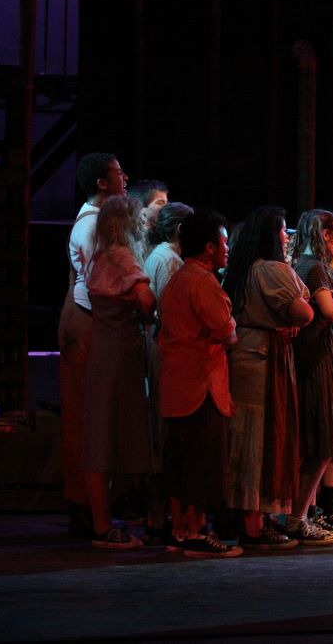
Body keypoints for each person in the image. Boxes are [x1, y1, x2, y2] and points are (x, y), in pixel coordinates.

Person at [222, 206, 313, 550]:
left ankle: (253, 517)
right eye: (283, 231)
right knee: (259, 438)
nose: (287, 238)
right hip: (262, 358)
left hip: (244, 354)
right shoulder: (273, 269)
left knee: (247, 437)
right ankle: (254, 525)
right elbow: (304, 311)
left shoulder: (243, 268)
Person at [158, 208, 243, 558]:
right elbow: (225, 329)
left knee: (179, 462)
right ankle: (196, 532)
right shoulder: (203, 281)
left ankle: (179, 530)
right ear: (210, 247)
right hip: (201, 387)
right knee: (202, 462)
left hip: (176, 385)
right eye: (223, 242)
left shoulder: (176, 280)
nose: (227, 249)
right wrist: (232, 327)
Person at [57, 152, 127, 538]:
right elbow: (95, 280)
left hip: (93, 320)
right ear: (102, 183)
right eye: (118, 173)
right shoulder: (90, 225)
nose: (124, 177)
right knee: (84, 418)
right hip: (85, 321)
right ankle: (84, 506)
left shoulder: (102, 221)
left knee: (95, 417)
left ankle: (94, 505)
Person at [82, 194, 155, 549]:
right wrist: (146, 313)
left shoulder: (98, 257)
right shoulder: (122, 257)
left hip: (101, 355)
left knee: (99, 438)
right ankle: (103, 527)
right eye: (138, 220)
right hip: (121, 357)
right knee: (108, 441)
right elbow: (146, 300)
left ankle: (101, 521)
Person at [287, 209, 333, 546]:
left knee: (316, 443)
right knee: (321, 442)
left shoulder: (307, 265)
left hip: (313, 355)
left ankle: (301, 515)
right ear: (325, 234)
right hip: (316, 358)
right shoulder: (315, 267)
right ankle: (297, 517)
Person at [140, 201, 193, 546]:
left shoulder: (160, 257)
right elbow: (171, 311)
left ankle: (159, 515)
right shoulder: (169, 261)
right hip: (164, 350)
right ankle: (161, 516)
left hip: (157, 346)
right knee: (165, 433)